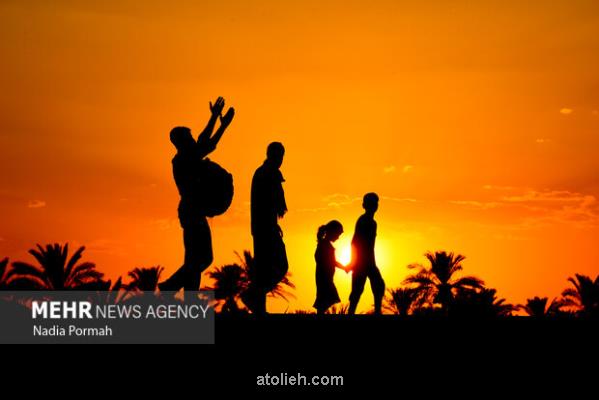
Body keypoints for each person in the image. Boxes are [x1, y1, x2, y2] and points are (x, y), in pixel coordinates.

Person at [159, 97, 235, 294]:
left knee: (194, 260)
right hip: (192, 213)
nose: (194, 140)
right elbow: (205, 143)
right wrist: (218, 122)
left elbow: (204, 143)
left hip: (193, 212)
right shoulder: (183, 159)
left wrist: (217, 120)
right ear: (182, 142)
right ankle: (171, 286)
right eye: (190, 138)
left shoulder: (186, 157)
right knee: (203, 259)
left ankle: (187, 300)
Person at [242, 142, 288, 314]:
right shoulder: (268, 174)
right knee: (280, 265)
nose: (281, 159)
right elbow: (266, 204)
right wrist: (271, 225)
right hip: (265, 229)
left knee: (262, 271)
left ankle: (259, 308)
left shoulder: (265, 172)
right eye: (280, 155)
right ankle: (253, 295)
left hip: (264, 228)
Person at [347, 193, 386, 314]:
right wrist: (353, 261)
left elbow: (370, 246)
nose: (374, 205)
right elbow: (354, 242)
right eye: (371, 203)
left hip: (369, 262)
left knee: (378, 286)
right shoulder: (363, 220)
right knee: (357, 291)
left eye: (375, 203)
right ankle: (351, 312)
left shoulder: (373, 222)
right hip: (361, 262)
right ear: (365, 205)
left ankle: (377, 311)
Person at [313, 220, 349, 314]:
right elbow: (332, 262)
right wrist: (344, 267)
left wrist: (344, 267)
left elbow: (331, 262)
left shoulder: (325, 244)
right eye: (338, 234)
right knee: (325, 299)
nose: (338, 237)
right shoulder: (325, 245)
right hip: (324, 278)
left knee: (325, 300)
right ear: (332, 232)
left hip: (325, 277)